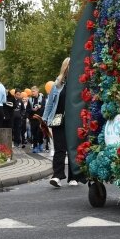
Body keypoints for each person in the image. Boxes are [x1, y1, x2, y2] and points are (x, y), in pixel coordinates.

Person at [43, 58, 81, 187]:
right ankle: (57, 176)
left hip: (74, 121)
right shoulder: (57, 84)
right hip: (58, 119)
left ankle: (73, 177)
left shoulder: (78, 84)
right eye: (71, 65)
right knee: (60, 149)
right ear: (66, 67)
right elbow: (50, 104)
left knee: (72, 149)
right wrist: (45, 119)